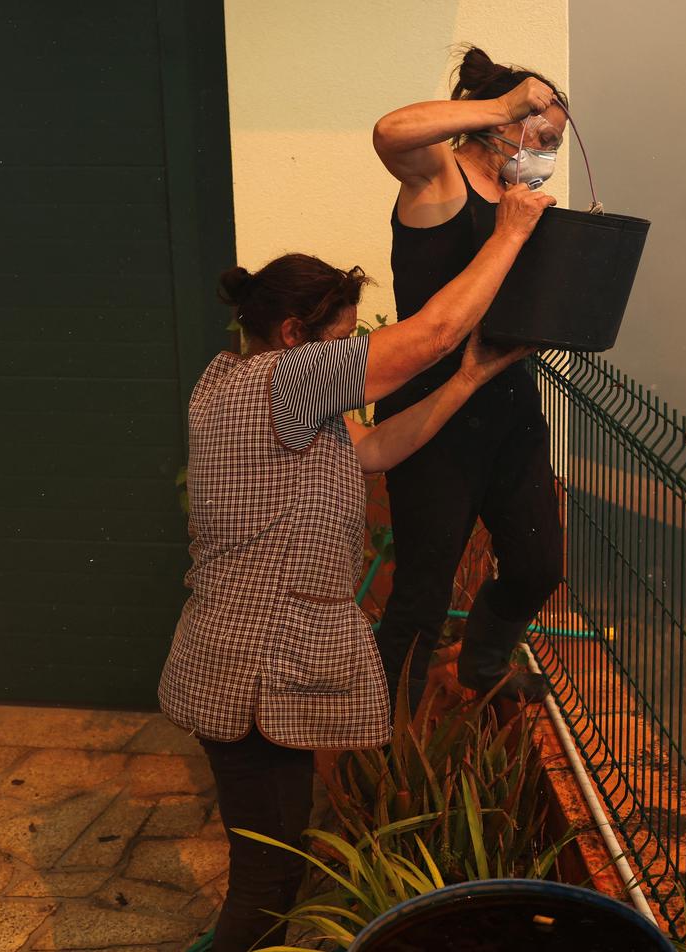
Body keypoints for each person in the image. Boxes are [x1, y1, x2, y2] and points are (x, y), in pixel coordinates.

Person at [157, 180, 553, 952]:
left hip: (238, 662)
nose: (352, 354)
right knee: (265, 884)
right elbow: (432, 332)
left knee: (273, 862)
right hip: (254, 671)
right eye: (342, 339)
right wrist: (508, 233)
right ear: (295, 333)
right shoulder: (288, 379)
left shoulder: (232, 384)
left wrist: (470, 377)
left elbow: (371, 450)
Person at [370, 46, 569, 705]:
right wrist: (502, 104)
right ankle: (379, 743)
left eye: (557, 144)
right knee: (422, 595)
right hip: (433, 416)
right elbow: (389, 132)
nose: (546, 154)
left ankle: (483, 665)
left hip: (510, 410)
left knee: (540, 564)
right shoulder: (441, 182)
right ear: (500, 126)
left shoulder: (523, 201)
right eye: (542, 136)